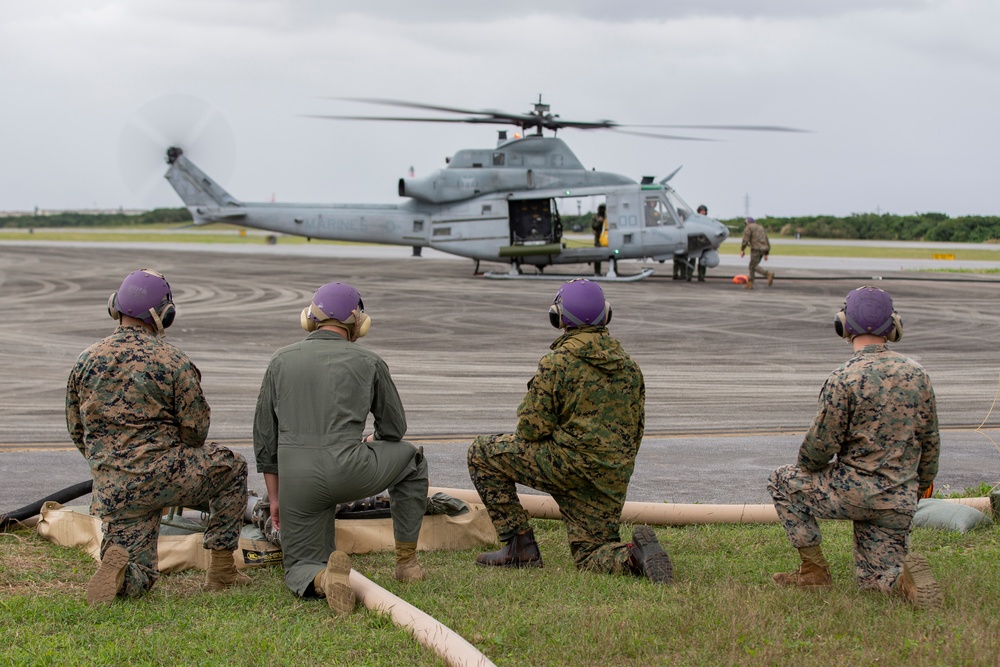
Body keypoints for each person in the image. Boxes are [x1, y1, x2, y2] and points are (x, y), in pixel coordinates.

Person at [467, 279, 671, 583]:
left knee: (482, 453)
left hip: (565, 464)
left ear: (559, 317)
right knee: (591, 553)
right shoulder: (630, 367)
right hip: (610, 475)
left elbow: (531, 428)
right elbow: (636, 430)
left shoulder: (558, 362)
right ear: (606, 315)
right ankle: (633, 556)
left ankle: (519, 546)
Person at [67, 269, 250, 607]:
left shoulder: (86, 360)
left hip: (115, 488)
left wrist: (114, 465)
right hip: (166, 474)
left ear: (115, 306)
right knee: (233, 467)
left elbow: (78, 430)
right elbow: (196, 430)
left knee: (142, 572)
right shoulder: (173, 360)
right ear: (164, 314)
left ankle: (123, 572)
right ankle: (222, 571)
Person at [253, 282, 429, 615]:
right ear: (357, 323)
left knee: (301, 561)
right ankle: (406, 563)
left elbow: (265, 440)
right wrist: (369, 442)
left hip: (298, 482)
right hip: (352, 472)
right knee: (413, 460)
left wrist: (276, 499)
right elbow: (395, 430)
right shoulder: (370, 361)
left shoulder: (279, 360)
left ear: (310, 318)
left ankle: (322, 577)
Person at [768, 286, 943, 609]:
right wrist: (916, 488)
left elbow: (816, 452)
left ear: (843, 325)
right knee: (873, 581)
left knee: (782, 480)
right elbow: (930, 444)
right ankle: (902, 581)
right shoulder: (919, 375)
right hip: (899, 499)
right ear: (894, 327)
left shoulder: (843, 378)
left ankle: (814, 572)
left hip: (853, 494)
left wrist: (817, 462)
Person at [740, 216, 774, 289]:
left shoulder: (749, 228)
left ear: (747, 222)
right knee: (752, 265)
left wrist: (742, 250)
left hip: (756, 249)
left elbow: (745, 240)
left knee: (753, 266)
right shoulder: (761, 227)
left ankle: (768, 274)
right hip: (764, 248)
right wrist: (766, 253)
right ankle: (750, 283)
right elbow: (766, 239)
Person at [591, 203, 607, 275]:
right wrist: (599, 221)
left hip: (607, 239)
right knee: (597, 256)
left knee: (613, 255)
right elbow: (593, 226)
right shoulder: (595, 217)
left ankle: (614, 270)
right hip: (598, 239)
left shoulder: (607, 217)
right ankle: (597, 272)